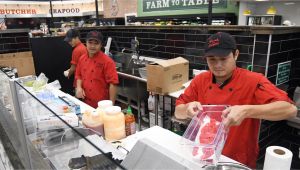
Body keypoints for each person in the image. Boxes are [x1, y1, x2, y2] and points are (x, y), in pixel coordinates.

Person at [174, 32, 297, 169]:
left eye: (224, 58)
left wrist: (246, 110)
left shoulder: (253, 80)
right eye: (212, 59)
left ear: (236, 54)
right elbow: (178, 112)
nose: (218, 65)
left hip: (237, 159)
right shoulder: (200, 80)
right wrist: (187, 109)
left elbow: (290, 110)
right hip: (204, 154)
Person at [75, 31, 119, 108]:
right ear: (86, 43)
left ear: (101, 45)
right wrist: (79, 87)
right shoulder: (82, 59)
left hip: (102, 104)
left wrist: (111, 105)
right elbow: (79, 76)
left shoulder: (107, 61)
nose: (92, 46)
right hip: (85, 102)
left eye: (96, 43)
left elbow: (113, 84)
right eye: (90, 42)